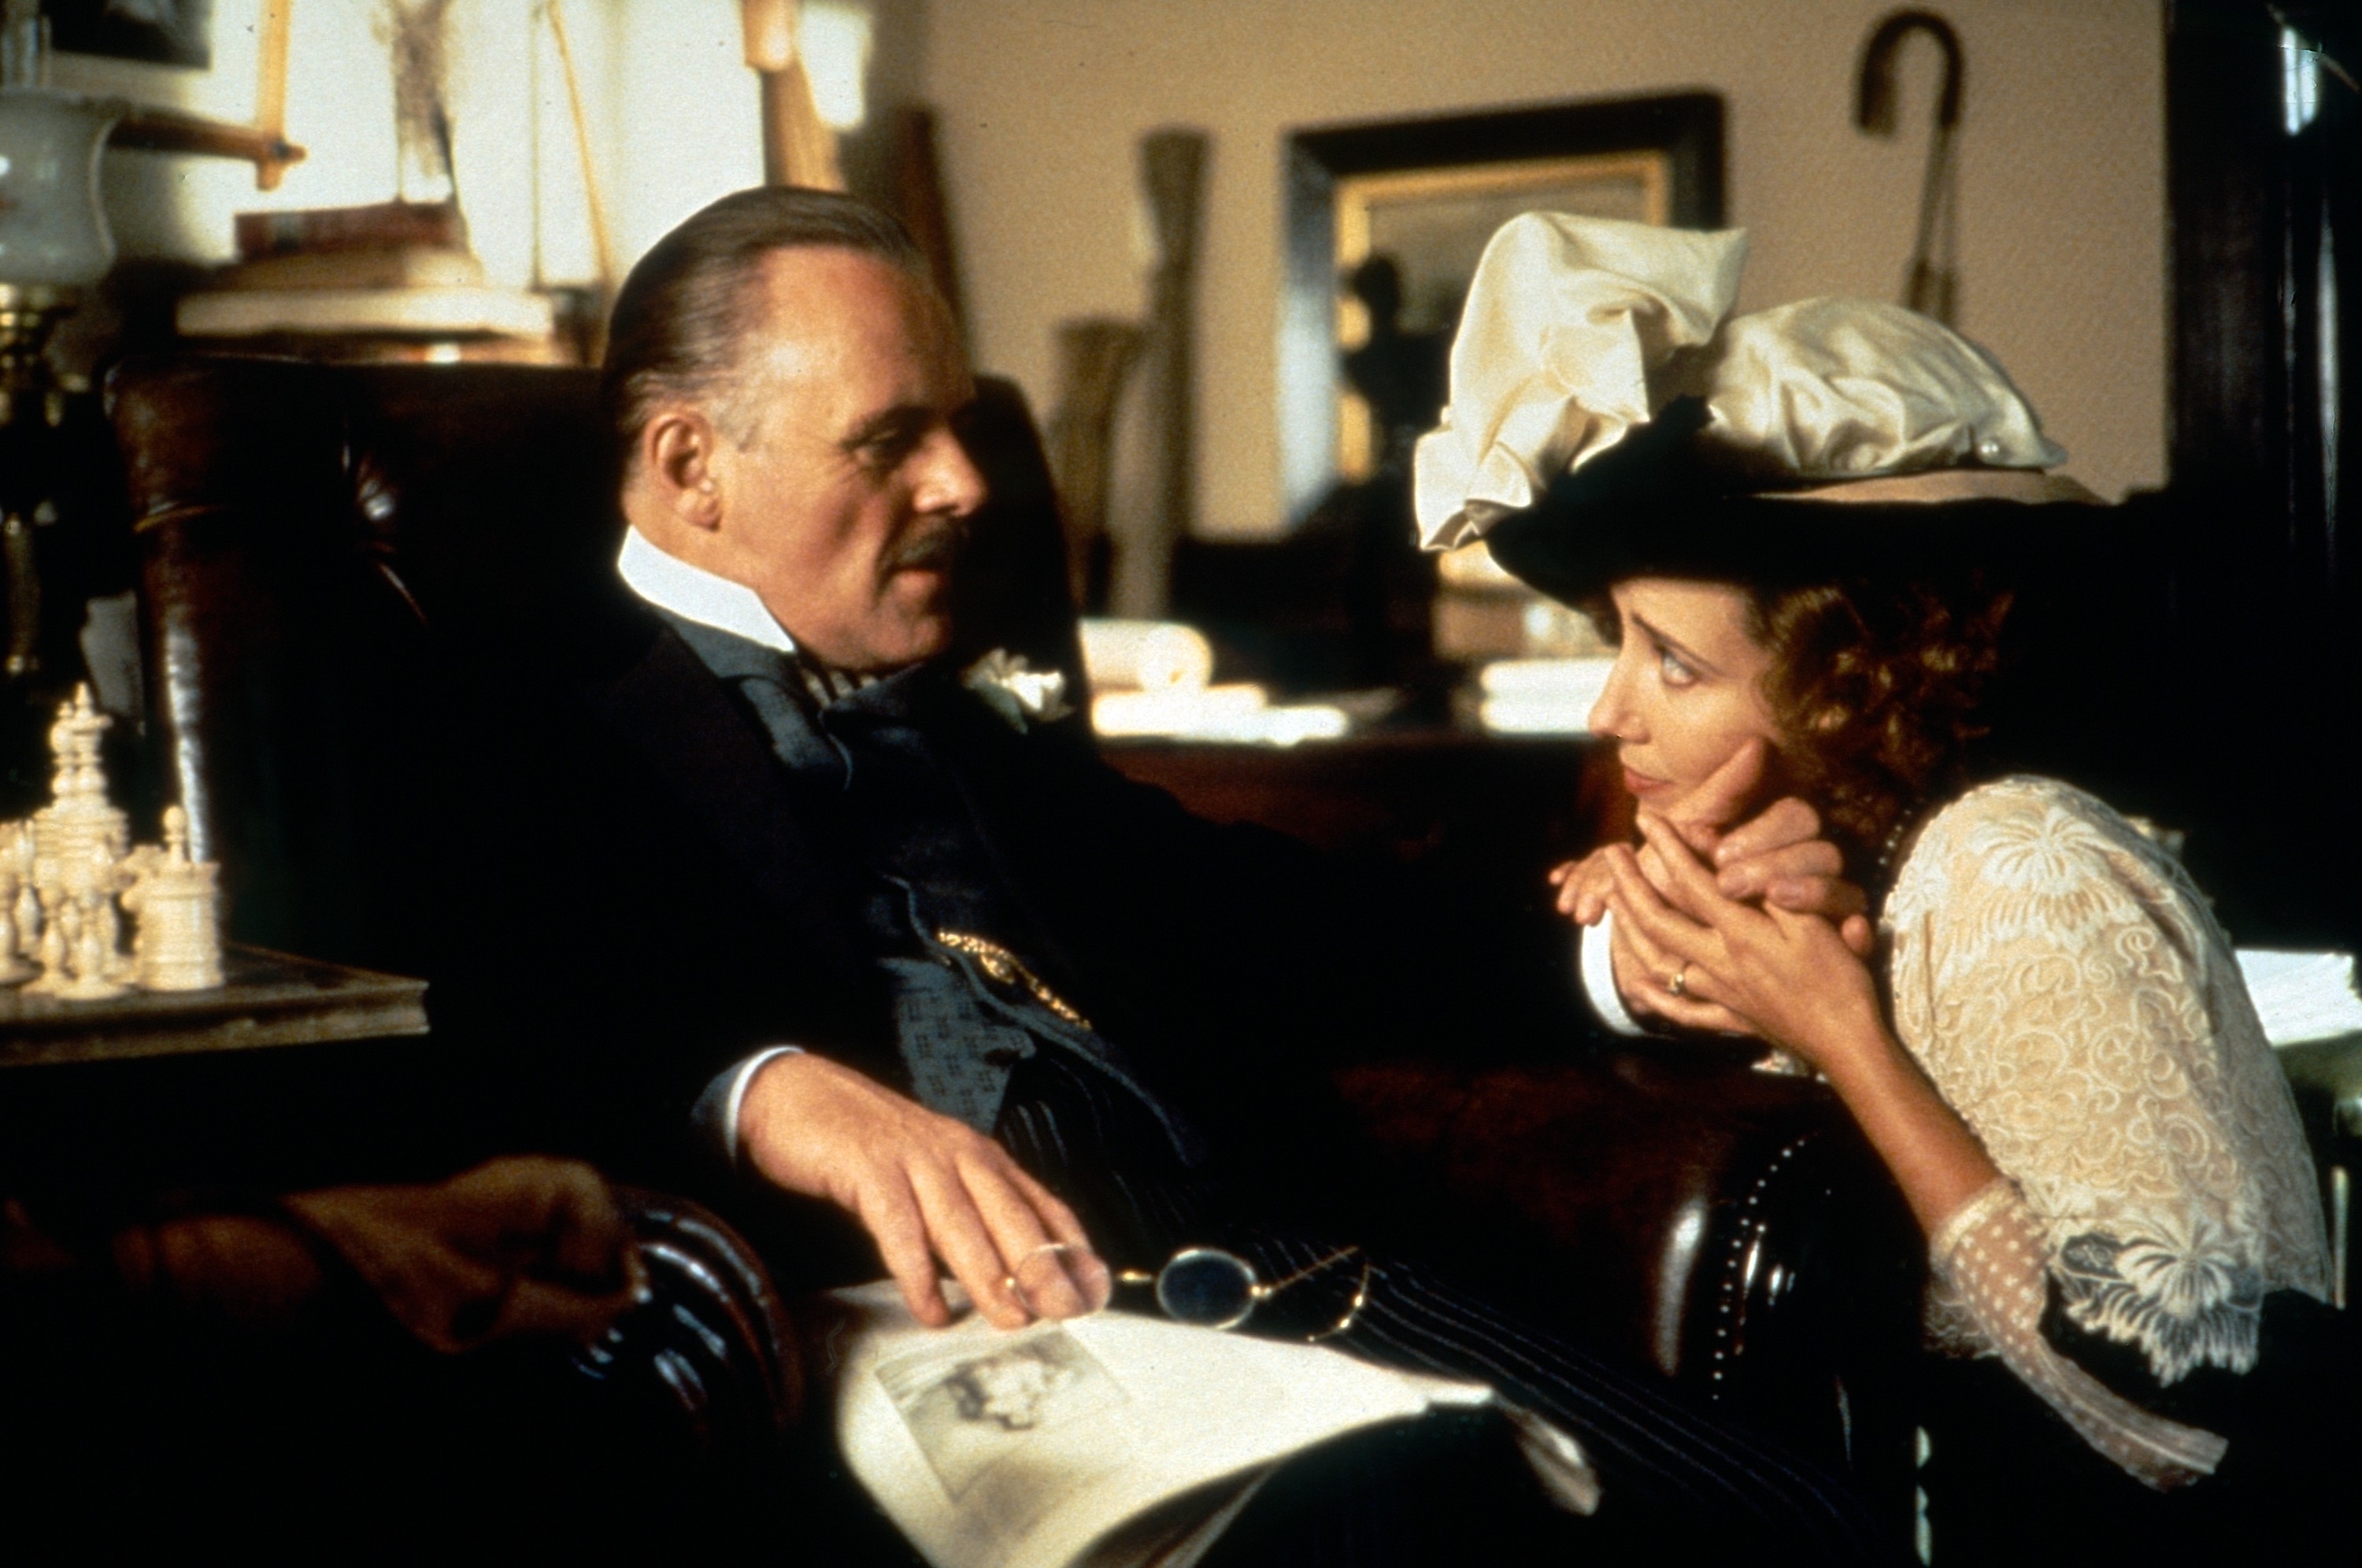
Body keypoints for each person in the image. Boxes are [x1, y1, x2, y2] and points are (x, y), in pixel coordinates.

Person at [417, 186, 1901, 1565]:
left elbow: (1273, 910)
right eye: (888, 441)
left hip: (1268, 1274)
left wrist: (1630, 953)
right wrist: (767, 1086)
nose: (963, 481)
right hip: (940, 1350)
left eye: (951, 424)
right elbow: (493, 1013)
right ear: (691, 467)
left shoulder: (957, 716)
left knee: (1811, 1526)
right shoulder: (521, 712)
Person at [1414, 210, 2347, 1562]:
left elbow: (2187, 1425)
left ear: (1839, 677)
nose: (1610, 709)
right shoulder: (1882, 869)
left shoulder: (2018, 867)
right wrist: (1677, 948)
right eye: (1618, 642)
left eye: (1672, 662)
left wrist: (1844, 1039)